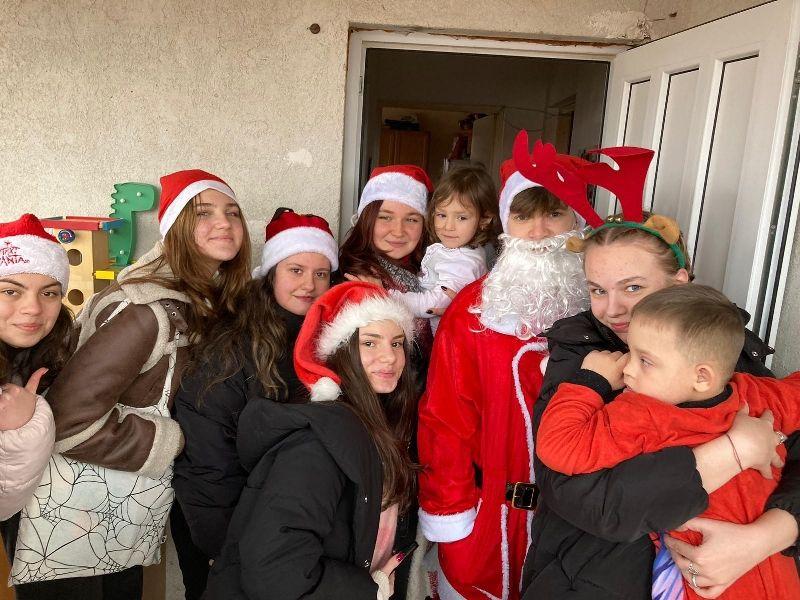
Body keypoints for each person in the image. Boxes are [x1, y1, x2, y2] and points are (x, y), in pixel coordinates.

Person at [520, 203, 798, 596]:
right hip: (592, 579)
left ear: (679, 283)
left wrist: (770, 535)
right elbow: (588, 498)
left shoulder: (716, 347)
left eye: (633, 287)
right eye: (597, 290)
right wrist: (734, 452)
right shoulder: (583, 361)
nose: (612, 309)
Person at [9, 170, 249, 600]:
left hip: (113, 514)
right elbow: (67, 422)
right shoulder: (146, 310)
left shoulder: (202, 301)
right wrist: (175, 440)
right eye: (203, 213)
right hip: (76, 517)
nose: (224, 222)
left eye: (232, 212)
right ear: (175, 227)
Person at [416, 145, 591, 599]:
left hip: (580, 529)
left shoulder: (604, 307)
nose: (538, 231)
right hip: (486, 526)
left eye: (554, 214)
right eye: (523, 216)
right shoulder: (472, 310)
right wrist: (453, 519)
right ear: (505, 224)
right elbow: (445, 422)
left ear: (577, 220)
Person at [204, 282, 417, 599]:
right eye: (369, 343)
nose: (389, 357)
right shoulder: (316, 445)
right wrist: (368, 590)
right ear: (341, 353)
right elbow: (275, 570)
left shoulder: (381, 427)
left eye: (397, 343)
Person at [171, 207, 338, 599]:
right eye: (296, 270)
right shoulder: (233, 345)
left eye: (321, 274)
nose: (309, 284)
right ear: (272, 274)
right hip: (228, 533)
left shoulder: (333, 342)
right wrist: (226, 549)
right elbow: (207, 459)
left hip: (287, 535)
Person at [0, 214, 74, 522]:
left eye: (49, 293)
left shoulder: (53, 348)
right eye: (10, 291)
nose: (33, 308)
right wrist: (22, 427)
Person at [388, 166, 498, 334]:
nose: (448, 226)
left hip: (449, 342)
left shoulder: (464, 262)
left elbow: (433, 304)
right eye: (442, 215)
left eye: (461, 217)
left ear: (485, 220)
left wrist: (388, 295)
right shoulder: (457, 249)